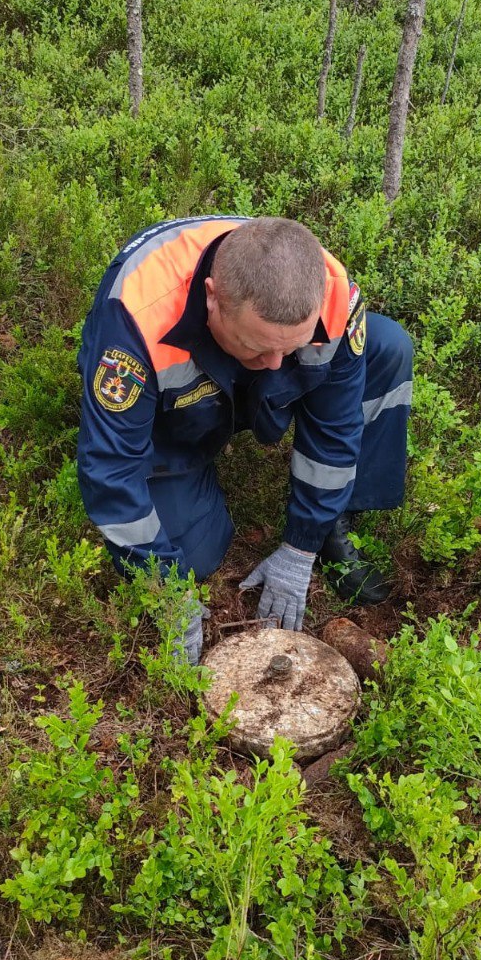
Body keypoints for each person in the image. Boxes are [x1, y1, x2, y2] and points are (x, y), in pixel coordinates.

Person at [77, 216, 412, 663]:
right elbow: (110, 469)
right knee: (195, 558)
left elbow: (335, 429)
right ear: (213, 297)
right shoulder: (135, 317)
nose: (277, 364)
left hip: (245, 382)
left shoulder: (331, 293)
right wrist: (168, 591)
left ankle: (336, 517)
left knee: (387, 347)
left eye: (292, 346)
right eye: (259, 346)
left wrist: (301, 546)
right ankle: (192, 462)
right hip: (175, 414)